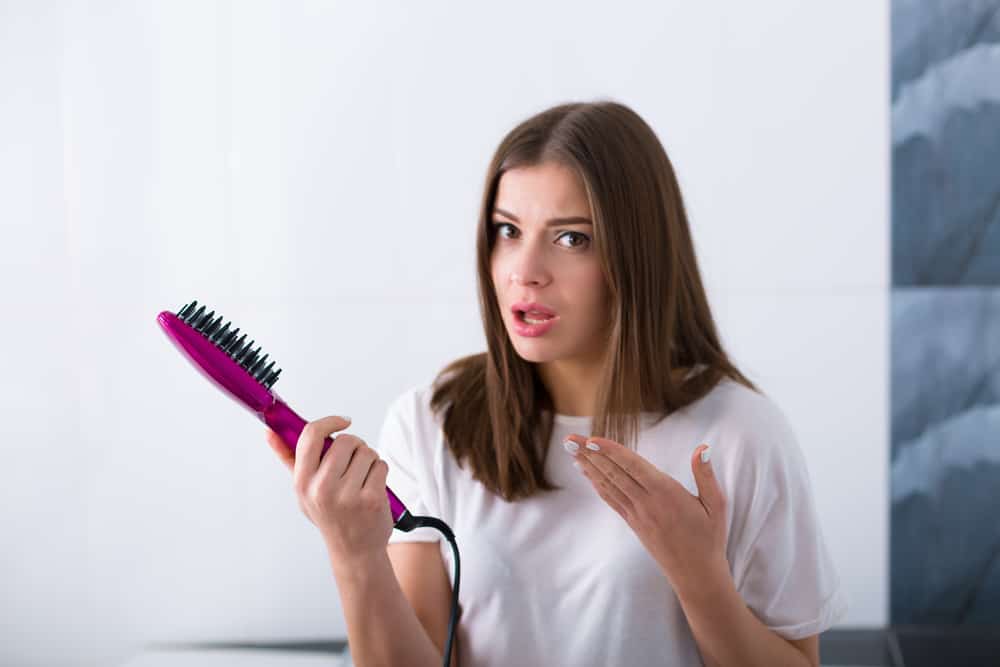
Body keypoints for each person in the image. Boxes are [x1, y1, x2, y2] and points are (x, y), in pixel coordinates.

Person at [266, 99, 849, 667]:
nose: (525, 271)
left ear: (637, 255)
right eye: (507, 230)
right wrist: (354, 554)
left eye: (571, 238)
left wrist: (701, 580)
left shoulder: (740, 435)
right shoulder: (431, 425)